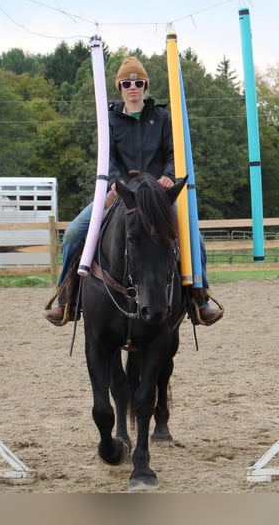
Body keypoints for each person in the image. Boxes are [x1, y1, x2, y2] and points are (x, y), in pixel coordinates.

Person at [44, 56, 223, 327]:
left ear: (145, 86)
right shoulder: (110, 121)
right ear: (120, 87)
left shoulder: (162, 118)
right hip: (120, 193)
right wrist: (115, 183)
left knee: (194, 237)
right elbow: (107, 157)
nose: (133, 87)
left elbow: (174, 154)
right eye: (127, 83)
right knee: (73, 233)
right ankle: (65, 299)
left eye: (138, 82)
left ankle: (200, 299)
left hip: (157, 197)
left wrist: (167, 176)